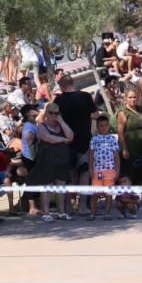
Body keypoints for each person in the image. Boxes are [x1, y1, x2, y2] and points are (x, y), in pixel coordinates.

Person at [51, 74, 99, 214]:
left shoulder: (59, 100)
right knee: (84, 174)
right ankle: (83, 206)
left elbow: (53, 117)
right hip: (85, 139)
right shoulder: (85, 96)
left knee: (70, 175)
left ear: (62, 86)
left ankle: (68, 207)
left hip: (67, 141)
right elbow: (96, 115)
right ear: (73, 83)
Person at [27, 102, 74, 222]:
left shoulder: (61, 125)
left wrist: (62, 122)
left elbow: (71, 136)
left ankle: (61, 212)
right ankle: (46, 213)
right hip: (46, 161)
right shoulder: (41, 126)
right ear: (46, 113)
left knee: (61, 187)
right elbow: (48, 138)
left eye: (56, 113)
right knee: (47, 187)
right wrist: (63, 139)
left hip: (61, 160)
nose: (54, 115)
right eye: (51, 113)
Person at [116, 88, 142, 186]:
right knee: (129, 174)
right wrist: (124, 149)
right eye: (130, 97)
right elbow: (120, 132)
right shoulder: (123, 112)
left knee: (141, 172)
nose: (133, 99)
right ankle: (128, 199)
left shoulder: (139, 109)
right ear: (125, 98)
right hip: (129, 148)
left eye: (134, 97)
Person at [87, 115, 120, 221]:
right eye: (101, 125)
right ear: (97, 126)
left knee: (108, 193)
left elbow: (116, 155)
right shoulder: (94, 139)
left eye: (105, 125)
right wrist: (90, 169)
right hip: (97, 169)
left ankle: (107, 213)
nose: (103, 127)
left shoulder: (112, 139)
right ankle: (92, 212)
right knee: (95, 193)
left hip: (110, 169)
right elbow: (91, 155)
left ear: (108, 126)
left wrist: (117, 169)